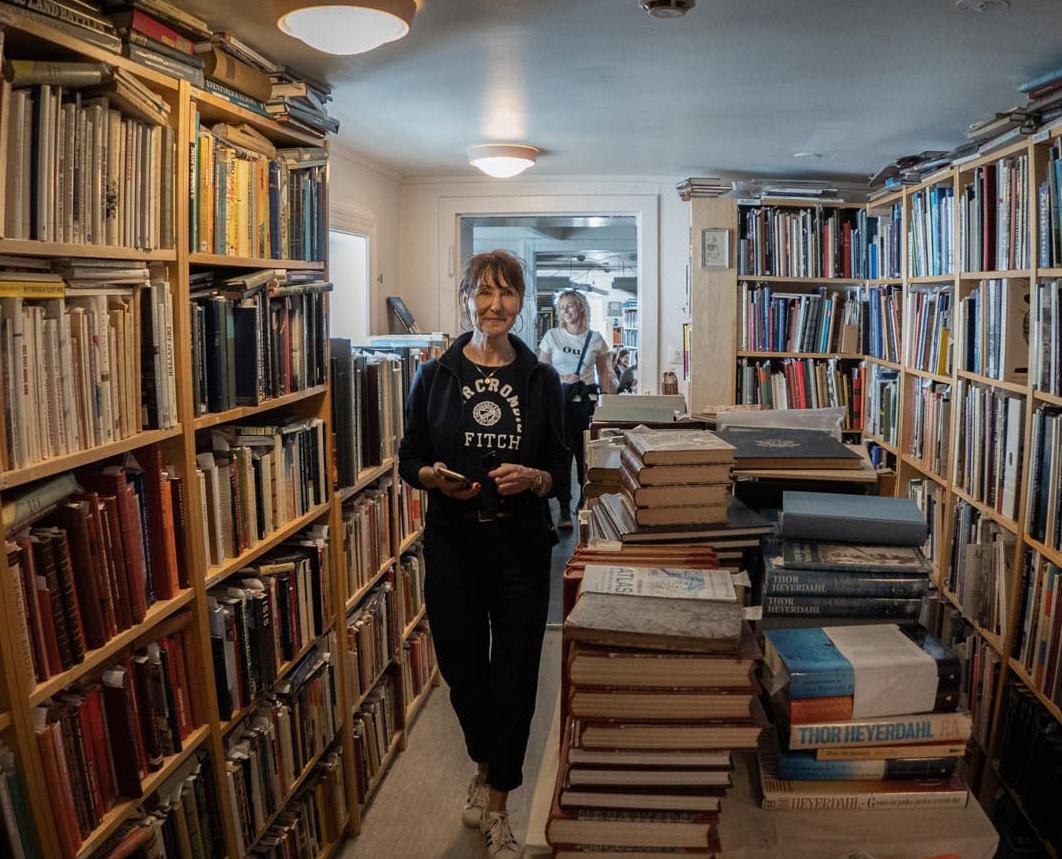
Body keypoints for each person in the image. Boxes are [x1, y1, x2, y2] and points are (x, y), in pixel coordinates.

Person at [397, 250, 568, 859]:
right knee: (463, 672)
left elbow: (560, 468)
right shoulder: (433, 376)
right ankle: (484, 761)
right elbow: (409, 458)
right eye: (484, 292)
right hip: (454, 545)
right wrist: (432, 478)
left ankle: (499, 803)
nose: (495, 305)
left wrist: (536, 479)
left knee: (515, 676)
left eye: (507, 293)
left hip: (521, 548)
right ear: (466, 296)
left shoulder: (542, 381)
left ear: (521, 302)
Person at [538, 289, 613, 528]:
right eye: (562, 308)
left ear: (581, 307)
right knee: (561, 455)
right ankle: (563, 508)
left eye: (570, 306)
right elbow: (542, 372)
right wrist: (562, 378)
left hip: (585, 405)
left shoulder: (596, 339)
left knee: (585, 455)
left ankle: (583, 501)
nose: (566, 311)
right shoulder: (552, 336)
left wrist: (607, 402)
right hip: (559, 405)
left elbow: (603, 373)